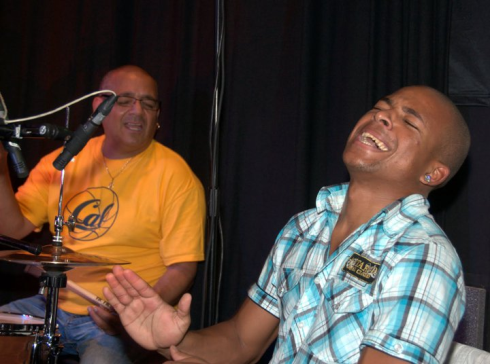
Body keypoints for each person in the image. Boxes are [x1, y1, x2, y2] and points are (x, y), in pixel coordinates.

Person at [103, 85, 471, 364]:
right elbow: (241, 340)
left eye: (409, 121)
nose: (381, 117)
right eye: (379, 108)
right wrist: (174, 339)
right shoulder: (305, 228)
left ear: (433, 172)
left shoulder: (424, 257)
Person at [0, 65, 206, 363]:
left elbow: (182, 267)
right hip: (49, 304)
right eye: (125, 101)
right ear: (99, 107)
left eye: (149, 104)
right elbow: (11, 230)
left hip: (113, 324)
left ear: (157, 116)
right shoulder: (63, 162)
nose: (138, 110)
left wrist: (135, 313)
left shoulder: (176, 176)